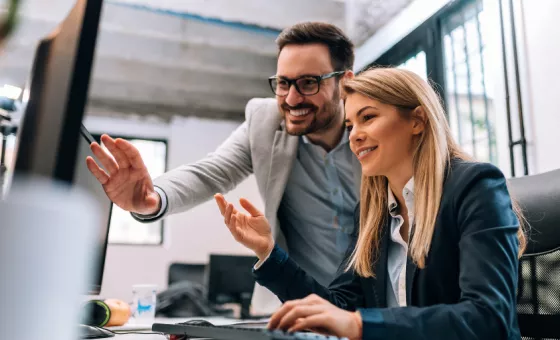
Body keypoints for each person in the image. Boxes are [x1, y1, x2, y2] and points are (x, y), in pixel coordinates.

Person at [214, 67, 526, 339]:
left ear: (417, 120)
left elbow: (488, 318)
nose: (355, 136)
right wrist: (269, 253)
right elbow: (339, 307)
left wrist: (360, 325)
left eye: (368, 118)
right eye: (351, 125)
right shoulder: (373, 213)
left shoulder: (476, 188)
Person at [85, 22, 361, 308]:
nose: (291, 98)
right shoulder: (265, 122)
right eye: (282, 83)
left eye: (308, 83)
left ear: (344, 83)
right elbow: (211, 172)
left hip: (378, 307)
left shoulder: (375, 129)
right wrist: (153, 198)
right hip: (299, 305)